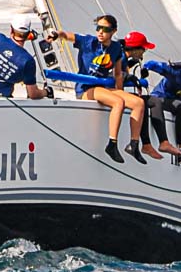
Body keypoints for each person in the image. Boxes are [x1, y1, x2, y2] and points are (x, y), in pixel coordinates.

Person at [53, 13, 146, 163]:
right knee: (118, 102)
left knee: (138, 103)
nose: (101, 32)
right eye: (98, 28)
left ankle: (134, 145)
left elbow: (118, 74)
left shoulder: (116, 48)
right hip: (85, 88)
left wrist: (120, 91)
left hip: (102, 88)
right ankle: (112, 144)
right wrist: (56, 34)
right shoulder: (88, 42)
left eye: (105, 29)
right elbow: (67, 35)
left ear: (114, 31)